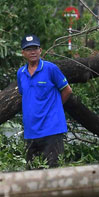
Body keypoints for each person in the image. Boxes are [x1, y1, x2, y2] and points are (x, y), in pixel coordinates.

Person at [16, 34, 72, 167]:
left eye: (35, 48)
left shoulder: (50, 69)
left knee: (53, 172)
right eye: (29, 49)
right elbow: (24, 95)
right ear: (23, 53)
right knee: (32, 173)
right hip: (31, 131)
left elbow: (67, 90)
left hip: (51, 130)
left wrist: (55, 107)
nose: (33, 52)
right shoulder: (21, 73)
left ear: (40, 50)